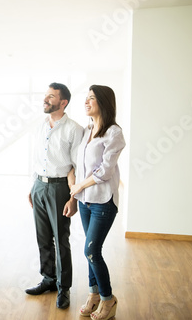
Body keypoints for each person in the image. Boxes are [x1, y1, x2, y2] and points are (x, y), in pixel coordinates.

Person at [69, 85, 125, 320]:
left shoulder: (114, 133)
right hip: (84, 201)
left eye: (91, 98)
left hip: (103, 201)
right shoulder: (86, 130)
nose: (86, 102)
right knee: (91, 252)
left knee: (91, 250)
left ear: (103, 102)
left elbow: (104, 172)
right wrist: (74, 192)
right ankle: (93, 296)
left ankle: (107, 299)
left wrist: (78, 187)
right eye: (86, 98)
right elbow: (74, 164)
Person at [26, 82, 83, 309]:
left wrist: (73, 198)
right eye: (45, 95)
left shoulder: (74, 129)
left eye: (51, 96)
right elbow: (36, 158)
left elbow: (77, 167)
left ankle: (64, 288)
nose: (46, 99)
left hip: (61, 189)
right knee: (43, 238)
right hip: (39, 186)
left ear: (63, 102)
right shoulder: (40, 126)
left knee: (61, 240)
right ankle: (48, 279)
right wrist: (32, 186)